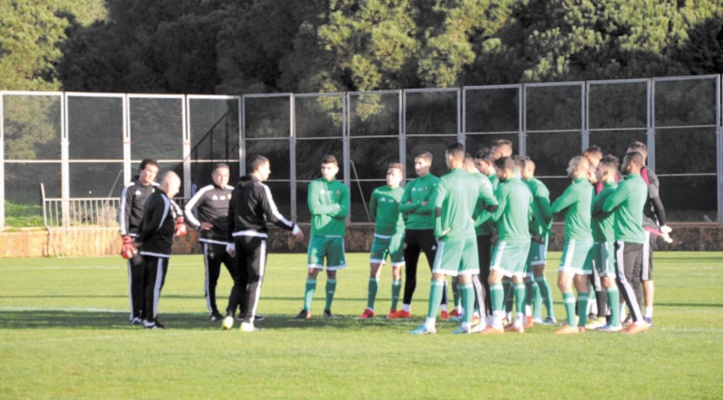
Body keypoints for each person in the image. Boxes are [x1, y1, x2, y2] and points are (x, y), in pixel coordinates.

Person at [410, 143, 487, 334]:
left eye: (446, 157)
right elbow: (493, 204)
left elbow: (436, 207)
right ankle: (466, 325)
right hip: (469, 236)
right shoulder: (475, 180)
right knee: (466, 277)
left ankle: (429, 324)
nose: (445, 160)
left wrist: (438, 231)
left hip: (451, 235)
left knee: (437, 275)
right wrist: (475, 222)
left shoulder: (444, 181)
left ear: (451, 157)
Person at [223, 155, 303, 331]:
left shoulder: (236, 189)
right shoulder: (261, 188)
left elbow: (230, 216)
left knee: (239, 280)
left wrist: (229, 241)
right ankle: (248, 321)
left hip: (238, 238)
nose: (269, 171)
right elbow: (273, 215)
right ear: (258, 169)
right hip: (256, 238)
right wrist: (293, 228)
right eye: (267, 168)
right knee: (255, 280)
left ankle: (229, 317)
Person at [390, 152, 449, 319]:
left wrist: (412, 207)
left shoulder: (436, 183)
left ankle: (444, 309)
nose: (417, 167)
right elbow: (401, 207)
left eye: (420, 163)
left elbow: (431, 207)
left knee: (437, 271)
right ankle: (405, 309)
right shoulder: (411, 184)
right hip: (411, 231)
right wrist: (417, 204)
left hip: (429, 231)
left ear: (428, 165)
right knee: (409, 271)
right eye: (415, 163)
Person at [481, 156, 532, 334]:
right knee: (517, 278)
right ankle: (519, 321)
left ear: (506, 171)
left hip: (509, 239)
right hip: (524, 239)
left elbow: (495, 215)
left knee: (493, 278)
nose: (497, 174)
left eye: (498, 171)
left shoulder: (504, 188)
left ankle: (496, 323)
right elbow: (530, 214)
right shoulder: (525, 188)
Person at [602, 151, 651, 335]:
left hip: (625, 237)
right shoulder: (642, 184)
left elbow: (608, 205)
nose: (622, 164)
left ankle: (638, 320)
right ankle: (637, 318)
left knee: (623, 279)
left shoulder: (627, 185)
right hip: (638, 236)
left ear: (631, 163)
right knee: (633, 281)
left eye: (624, 161)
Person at [296, 155, 350, 319]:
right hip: (318, 235)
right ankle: (306, 309)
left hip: (336, 237)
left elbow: (344, 211)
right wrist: (334, 207)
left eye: (329, 168)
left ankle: (327, 310)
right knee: (312, 271)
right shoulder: (315, 185)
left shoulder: (343, 189)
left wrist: (326, 208)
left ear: (336, 169)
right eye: (323, 168)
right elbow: (314, 208)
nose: (326, 171)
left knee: (332, 273)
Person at [184, 163, 237, 321]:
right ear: (213, 176)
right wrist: (198, 225)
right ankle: (213, 311)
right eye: (220, 175)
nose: (223, 178)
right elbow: (186, 208)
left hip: (230, 243)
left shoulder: (233, 191)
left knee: (240, 277)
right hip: (211, 241)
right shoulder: (205, 192)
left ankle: (243, 309)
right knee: (212, 278)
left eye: (226, 175)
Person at [627, 141, 672, 326]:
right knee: (632, 274)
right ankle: (632, 313)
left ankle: (647, 315)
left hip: (645, 228)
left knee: (644, 273)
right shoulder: (635, 175)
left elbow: (656, 200)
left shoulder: (646, 174)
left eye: (630, 155)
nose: (626, 159)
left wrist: (662, 225)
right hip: (635, 228)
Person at [550, 156, 595, 335]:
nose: (567, 168)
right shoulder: (590, 188)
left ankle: (571, 323)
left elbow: (556, 206)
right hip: (587, 238)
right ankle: (581, 323)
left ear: (577, 169)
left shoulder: (575, 188)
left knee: (563, 282)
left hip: (576, 239)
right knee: (580, 282)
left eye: (570, 166)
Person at [133, 171, 183, 329]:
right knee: (155, 286)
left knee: (149, 285)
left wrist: (139, 238)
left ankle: (145, 316)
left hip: (149, 250)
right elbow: (156, 224)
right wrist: (141, 239)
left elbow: (144, 222)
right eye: (177, 187)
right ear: (168, 184)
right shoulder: (163, 200)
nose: (178, 191)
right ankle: (150, 319)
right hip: (157, 250)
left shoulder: (152, 197)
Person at [359, 163, 406, 319]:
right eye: (387, 173)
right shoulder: (377, 192)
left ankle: (393, 309)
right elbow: (372, 213)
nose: (389, 176)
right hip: (380, 236)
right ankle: (369, 308)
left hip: (397, 237)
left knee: (396, 272)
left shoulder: (403, 194)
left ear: (400, 178)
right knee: (374, 271)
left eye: (393, 174)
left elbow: (406, 216)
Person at [119, 158, 159, 325]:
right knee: (137, 277)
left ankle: (148, 313)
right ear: (141, 170)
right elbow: (123, 212)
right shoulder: (130, 188)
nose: (150, 175)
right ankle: (136, 314)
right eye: (148, 171)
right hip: (135, 240)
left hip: (152, 240)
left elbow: (170, 207)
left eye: (154, 173)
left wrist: (178, 219)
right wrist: (125, 237)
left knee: (151, 278)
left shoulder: (157, 190)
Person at [521, 157, 556, 326]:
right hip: (525, 236)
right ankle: (531, 315)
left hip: (537, 236)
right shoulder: (521, 185)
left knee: (539, 275)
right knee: (527, 277)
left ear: (528, 170)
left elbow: (547, 213)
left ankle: (551, 315)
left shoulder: (537, 186)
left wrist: (542, 231)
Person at [591, 155, 623, 332]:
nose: (595, 173)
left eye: (597, 169)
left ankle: (615, 321)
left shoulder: (608, 191)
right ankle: (614, 319)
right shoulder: (610, 190)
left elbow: (591, 210)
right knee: (607, 278)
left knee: (607, 278)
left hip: (605, 240)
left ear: (605, 171)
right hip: (603, 239)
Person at [472, 147, 499, 317]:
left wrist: (492, 228)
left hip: (489, 233)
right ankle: (481, 310)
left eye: (479, 164)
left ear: (489, 163)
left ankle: (490, 312)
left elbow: (494, 208)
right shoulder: (485, 180)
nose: (477, 168)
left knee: (487, 275)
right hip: (483, 232)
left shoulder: (491, 182)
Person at [583, 145, 608, 327]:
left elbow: (599, 208)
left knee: (602, 277)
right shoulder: (594, 185)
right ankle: (590, 312)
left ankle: (603, 315)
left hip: (601, 236)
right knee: (592, 276)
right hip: (594, 234)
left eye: (588, 160)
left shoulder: (605, 186)